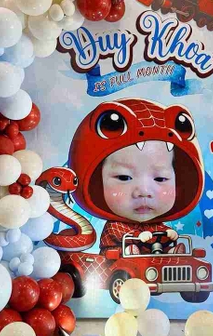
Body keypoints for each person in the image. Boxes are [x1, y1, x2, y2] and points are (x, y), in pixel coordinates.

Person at [67, 98, 205, 255]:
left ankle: (173, 254)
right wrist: (137, 237)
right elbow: (118, 234)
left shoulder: (158, 226)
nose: (144, 192)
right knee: (128, 252)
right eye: (124, 177)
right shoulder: (115, 227)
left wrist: (169, 235)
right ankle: (132, 252)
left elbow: (160, 235)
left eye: (160, 179)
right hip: (117, 261)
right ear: (98, 183)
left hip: (154, 264)